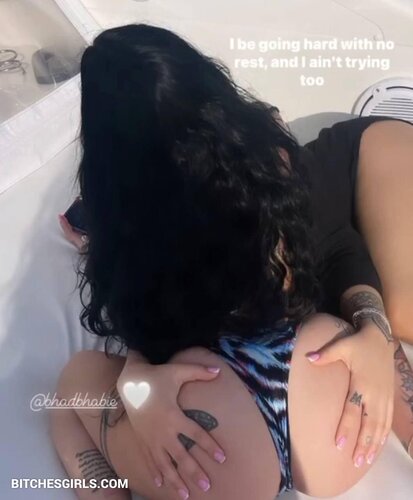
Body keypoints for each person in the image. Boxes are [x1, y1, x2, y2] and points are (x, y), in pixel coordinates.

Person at [52, 24, 413, 499]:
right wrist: (373, 331)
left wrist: (135, 384)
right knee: (368, 353)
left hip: (218, 454)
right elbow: (334, 244)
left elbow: (144, 338)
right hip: (331, 417)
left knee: (70, 388)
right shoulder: (271, 166)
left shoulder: (128, 238)